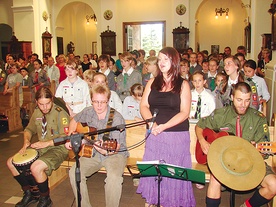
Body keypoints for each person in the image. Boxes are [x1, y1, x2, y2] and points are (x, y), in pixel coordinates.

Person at [195, 82, 276, 207]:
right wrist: (202, 141)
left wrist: (257, 151)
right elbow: (200, 125)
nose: (243, 105)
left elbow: (263, 154)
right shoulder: (221, 114)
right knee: (215, 179)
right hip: (223, 161)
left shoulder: (258, 119)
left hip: (249, 163)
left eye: (247, 100)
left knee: (273, 185)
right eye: (239, 100)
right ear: (232, 97)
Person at [137, 47, 195, 207]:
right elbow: (143, 105)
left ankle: (169, 202)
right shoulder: (151, 82)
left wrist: (163, 126)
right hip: (155, 133)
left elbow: (185, 112)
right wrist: (152, 123)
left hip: (175, 134)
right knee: (154, 169)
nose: (161, 63)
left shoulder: (183, 84)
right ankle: (153, 198)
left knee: (171, 172)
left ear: (174, 62)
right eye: (160, 59)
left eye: (165, 59)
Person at [6, 86, 70, 207]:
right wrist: (26, 141)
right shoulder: (36, 112)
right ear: (36, 102)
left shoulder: (60, 113)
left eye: (47, 103)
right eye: (41, 104)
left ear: (52, 100)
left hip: (58, 148)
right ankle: (29, 194)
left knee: (36, 167)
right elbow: (29, 129)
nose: (44, 107)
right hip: (41, 146)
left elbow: (65, 137)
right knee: (11, 162)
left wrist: (46, 143)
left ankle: (45, 199)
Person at [66, 85, 129, 207]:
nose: (99, 105)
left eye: (102, 102)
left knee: (114, 179)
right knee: (74, 172)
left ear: (108, 101)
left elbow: (116, 147)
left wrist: (105, 151)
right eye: (96, 102)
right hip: (92, 152)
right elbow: (74, 120)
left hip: (114, 154)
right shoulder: (88, 111)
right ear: (91, 100)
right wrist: (71, 138)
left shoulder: (117, 118)